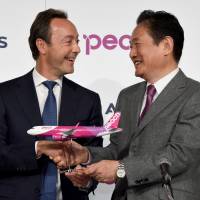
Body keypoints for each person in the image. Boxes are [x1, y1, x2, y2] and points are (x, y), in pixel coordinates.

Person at [58, 10, 200, 200]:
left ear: (166, 45)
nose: (131, 54)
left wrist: (121, 169)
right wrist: (85, 154)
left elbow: (180, 155)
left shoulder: (194, 94)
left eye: (137, 45)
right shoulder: (127, 96)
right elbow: (117, 150)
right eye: (130, 46)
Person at [0, 8, 103, 200]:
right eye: (69, 41)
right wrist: (37, 148)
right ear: (42, 45)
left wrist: (87, 180)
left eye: (77, 41)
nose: (77, 49)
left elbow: (96, 155)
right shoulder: (4, 95)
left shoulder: (88, 100)